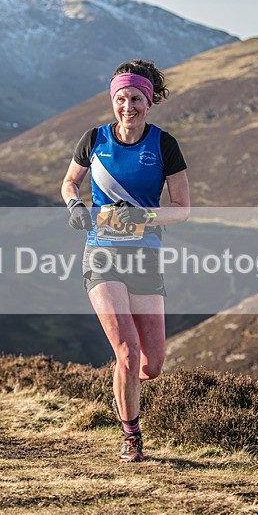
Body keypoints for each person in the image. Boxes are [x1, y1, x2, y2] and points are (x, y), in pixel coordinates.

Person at [60, 59, 190, 462]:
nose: (127, 106)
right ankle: (131, 435)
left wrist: (143, 216)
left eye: (136, 98)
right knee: (128, 354)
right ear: (112, 100)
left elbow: (182, 209)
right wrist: (75, 206)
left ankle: (123, 378)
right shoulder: (94, 139)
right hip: (101, 252)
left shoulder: (163, 144)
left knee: (150, 366)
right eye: (121, 98)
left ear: (148, 102)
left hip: (146, 256)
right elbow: (69, 182)